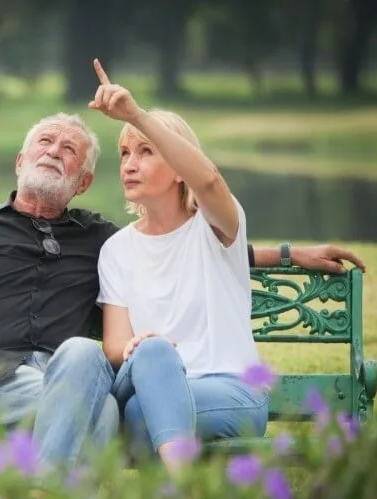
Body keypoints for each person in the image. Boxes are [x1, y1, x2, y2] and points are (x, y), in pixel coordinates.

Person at [0, 99, 365, 475]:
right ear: (20, 161)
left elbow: (191, 246)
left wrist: (286, 254)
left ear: (83, 182)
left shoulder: (101, 241)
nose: (53, 151)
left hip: (78, 378)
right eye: (44, 142)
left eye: (69, 149)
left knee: (93, 378)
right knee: (102, 410)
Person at [85, 59, 327, 470]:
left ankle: (181, 495)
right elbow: (114, 345)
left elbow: (210, 181)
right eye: (124, 153)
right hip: (148, 390)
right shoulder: (116, 250)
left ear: (180, 169)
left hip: (231, 392)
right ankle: (186, 494)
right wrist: (139, 349)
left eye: (146, 151)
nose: (129, 164)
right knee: (149, 378)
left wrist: (136, 116)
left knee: (147, 414)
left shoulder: (217, 229)